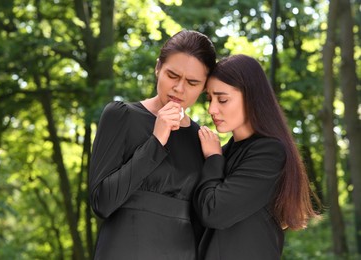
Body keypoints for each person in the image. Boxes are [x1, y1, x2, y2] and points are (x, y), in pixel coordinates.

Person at [89, 30, 216, 260]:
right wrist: (156, 142)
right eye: (172, 75)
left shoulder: (202, 140)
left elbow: (206, 219)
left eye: (192, 82)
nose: (179, 88)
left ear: (205, 87)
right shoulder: (121, 116)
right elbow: (102, 203)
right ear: (158, 68)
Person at [194, 54, 320, 260]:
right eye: (209, 99)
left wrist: (213, 159)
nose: (211, 109)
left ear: (251, 97)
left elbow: (214, 212)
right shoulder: (223, 152)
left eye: (222, 99)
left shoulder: (269, 152)